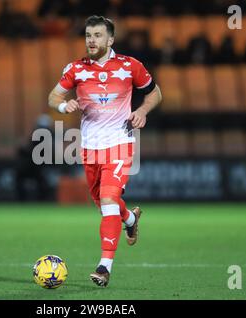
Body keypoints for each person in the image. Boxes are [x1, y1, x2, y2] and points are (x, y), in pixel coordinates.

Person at [48, 15, 162, 287]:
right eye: (88, 35)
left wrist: (142, 111)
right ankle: (131, 218)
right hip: (90, 148)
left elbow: (155, 92)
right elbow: (53, 97)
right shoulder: (76, 69)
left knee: (109, 201)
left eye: (98, 35)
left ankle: (104, 266)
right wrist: (65, 107)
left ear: (110, 39)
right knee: (104, 205)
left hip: (120, 144)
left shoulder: (129, 66)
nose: (91, 40)